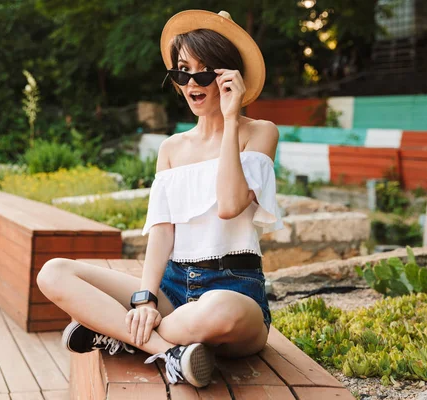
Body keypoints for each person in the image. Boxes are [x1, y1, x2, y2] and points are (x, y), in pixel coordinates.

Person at [36, 9, 284, 388]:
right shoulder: (171, 148)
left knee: (213, 313)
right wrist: (144, 300)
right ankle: (169, 351)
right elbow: (162, 235)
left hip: (233, 289)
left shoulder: (259, 132)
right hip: (173, 286)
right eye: (182, 72)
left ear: (228, 76)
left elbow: (231, 204)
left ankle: (116, 332)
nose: (191, 83)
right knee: (53, 272)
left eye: (204, 72)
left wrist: (232, 120)